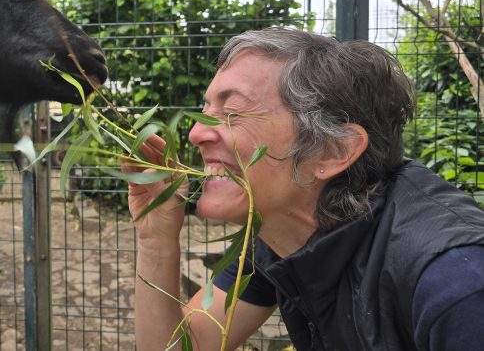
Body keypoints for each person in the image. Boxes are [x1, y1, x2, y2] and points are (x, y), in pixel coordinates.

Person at [125, 27, 484, 350]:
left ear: (333, 150)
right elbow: (186, 348)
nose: (195, 134)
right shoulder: (277, 235)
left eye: (233, 113)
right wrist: (155, 240)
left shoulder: (456, 283)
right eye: (207, 111)